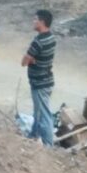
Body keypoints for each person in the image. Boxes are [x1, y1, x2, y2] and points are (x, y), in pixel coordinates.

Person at [21, 9, 56, 147]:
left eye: (35, 19)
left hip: (39, 82)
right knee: (38, 111)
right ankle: (33, 134)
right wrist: (33, 60)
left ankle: (48, 144)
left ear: (42, 22)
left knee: (44, 114)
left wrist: (32, 60)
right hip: (47, 79)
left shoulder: (38, 42)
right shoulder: (51, 38)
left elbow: (24, 62)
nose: (33, 22)